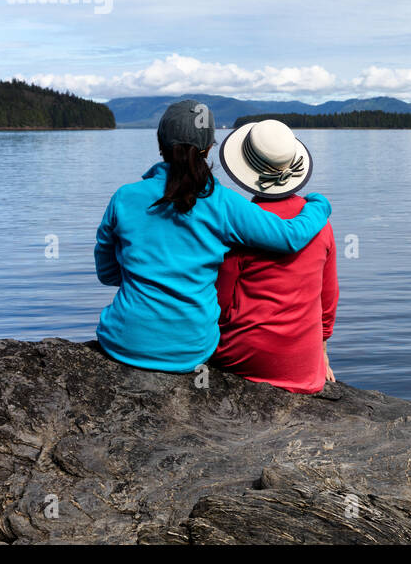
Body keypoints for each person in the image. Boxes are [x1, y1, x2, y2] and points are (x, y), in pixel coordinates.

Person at [93, 100, 332, 372]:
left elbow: (107, 273)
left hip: (122, 342)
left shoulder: (124, 197)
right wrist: (318, 204)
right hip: (192, 350)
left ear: (160, 145)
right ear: (208, 149)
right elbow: (290, 237)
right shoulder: (223, 203)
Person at [211, 118, 337, 394]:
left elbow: (220, 302)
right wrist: (321, 354)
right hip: (306, 369)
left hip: (245, 359)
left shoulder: (241, 225)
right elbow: (328, 298)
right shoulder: (320, 223)